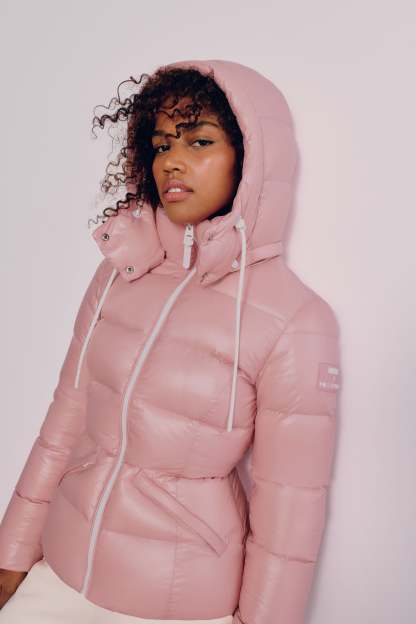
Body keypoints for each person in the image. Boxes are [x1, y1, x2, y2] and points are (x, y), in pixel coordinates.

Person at [0, 58, 342, 623]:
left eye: (199, 141)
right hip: (59, 572)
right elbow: (64, 423)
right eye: (161, 145)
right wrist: (12, 551)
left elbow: (291, 510)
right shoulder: (119, 271)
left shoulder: (295, 319)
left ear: (252, 159)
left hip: (176, 605)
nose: (172, 161)